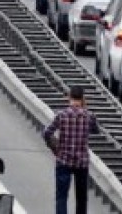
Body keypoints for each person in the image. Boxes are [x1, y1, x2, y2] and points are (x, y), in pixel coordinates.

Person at [42, 85, 99, 214]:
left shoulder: (61, 115)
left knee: (61, 197)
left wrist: (55, 147)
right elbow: (95, 130)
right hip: (82, 163)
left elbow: (46, 132)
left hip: (63, 160)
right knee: (81, 198)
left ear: (69, 97)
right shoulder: (89, 116)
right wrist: (85, 108)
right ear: (83, 98)